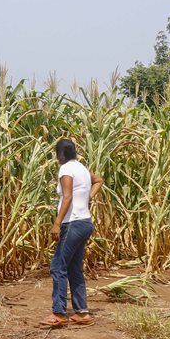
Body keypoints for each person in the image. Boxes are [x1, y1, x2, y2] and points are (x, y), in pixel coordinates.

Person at [41, 138, 103, 328]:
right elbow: (99, 180)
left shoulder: (66, 169)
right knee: (74, 268)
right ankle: (82, 313)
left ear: (60, 154)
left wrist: (57, 223)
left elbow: (67, 197)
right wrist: (88, 199)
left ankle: (59, 313)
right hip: (85, 222)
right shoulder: (82, 168)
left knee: (58, 265)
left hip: (73, 223)